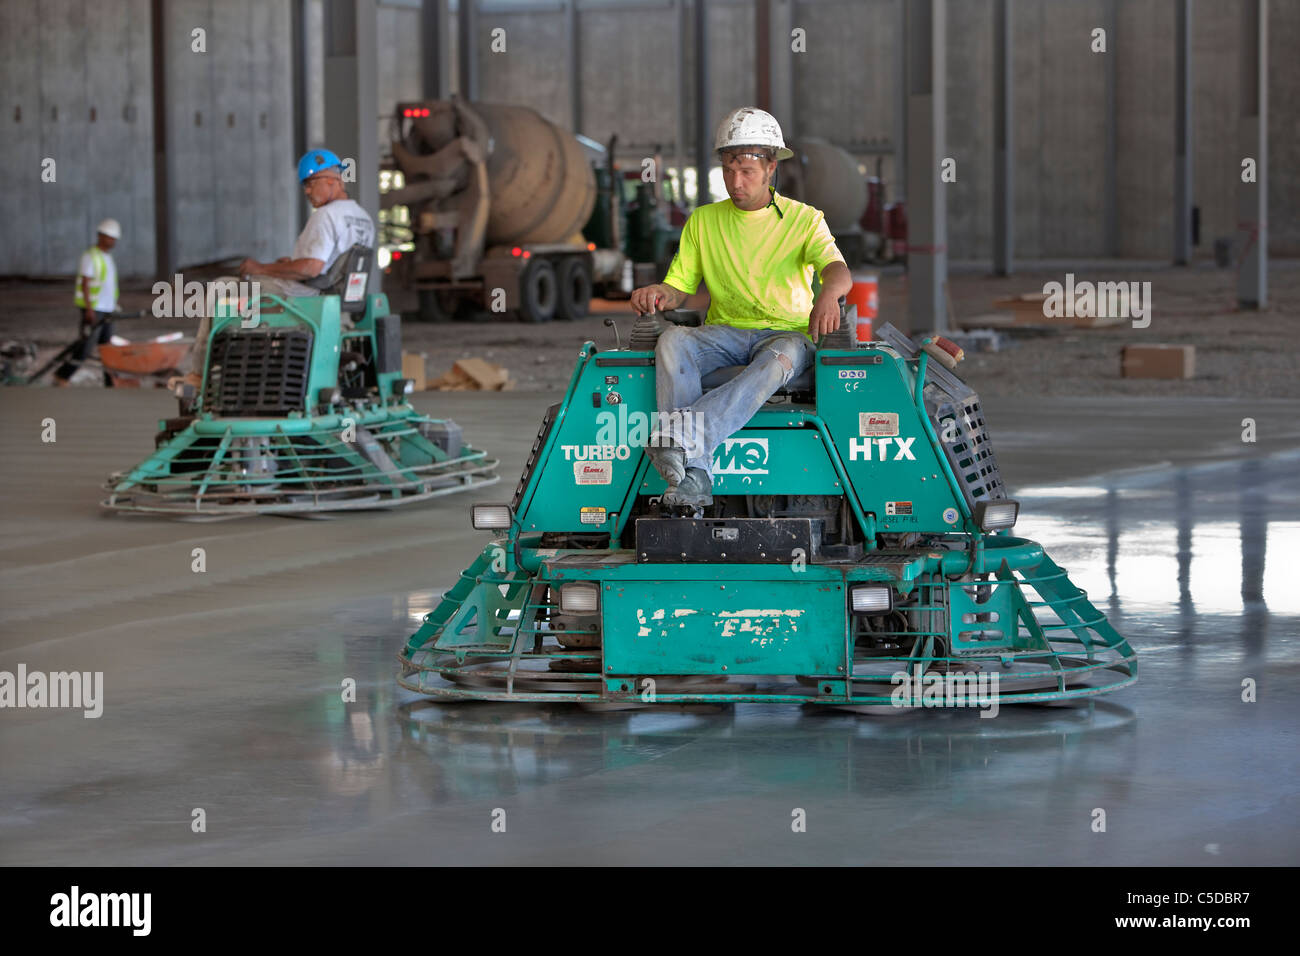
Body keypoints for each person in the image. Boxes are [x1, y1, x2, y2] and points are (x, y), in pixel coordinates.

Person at [629, 107, 853, 507]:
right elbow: (679, 287)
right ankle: (693, 474)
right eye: (729, 170)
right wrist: (659, 293)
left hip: (786, 335)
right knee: (673, 343)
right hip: (725, 332)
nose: (736, 181)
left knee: (778, 359)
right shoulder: (703, 222)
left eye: (747, 171)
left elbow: (838, 270)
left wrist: (828, 294)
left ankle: (682, 437)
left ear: (771, 168)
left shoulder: (804, 220)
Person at [186, 148, 376, 376]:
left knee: (221, 287)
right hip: (337, 302)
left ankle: (198, 374)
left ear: (332, 180)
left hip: (303, 300)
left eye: (310, 183)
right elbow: (328, 266)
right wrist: (288, 266)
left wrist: (262, 268)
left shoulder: (327, 215)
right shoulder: (363, 218)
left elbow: (311, 267)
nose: (306, 191)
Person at [56, 219, 122, 386]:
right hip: (95, 309)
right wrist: (89, 309)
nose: (112, 241)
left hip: (108, 309)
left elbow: (108, 285)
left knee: (107, 349)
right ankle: (62, 376)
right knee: (85, 347)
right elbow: (85, 283)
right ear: (100, 236)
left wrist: (114, 305)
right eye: (109, 237)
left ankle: (110, 382)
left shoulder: (107, 257)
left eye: (114, 238)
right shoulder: (90, 256)